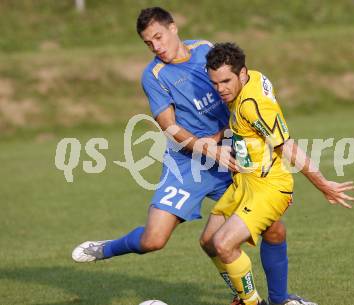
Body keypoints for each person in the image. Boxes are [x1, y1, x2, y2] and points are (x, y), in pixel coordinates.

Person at [71, 7, 296, 305]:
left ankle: (279, 300)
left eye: (159, 37)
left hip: (228, 156)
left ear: (174, 28)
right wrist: (202, 146)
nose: (157, 47)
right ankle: (107, 248)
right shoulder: (153, 75)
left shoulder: (205, 49)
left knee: (274, 228)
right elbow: (168, 125)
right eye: (149, 43)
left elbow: (238, 88)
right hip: (187, 163)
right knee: (154, 240)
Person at [201, 42, 354, 305]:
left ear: (242, 73)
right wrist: (217, 137)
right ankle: (266, 298)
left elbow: (287, 146)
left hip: (268, 186)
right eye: (215, 83)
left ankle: (252, 301)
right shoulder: (253, 80)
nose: (220, 90)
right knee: (209, 241)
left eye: (225, 81)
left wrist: (323, 185)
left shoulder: (253, 104)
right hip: (245, 183)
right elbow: (247, 128)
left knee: (224, 244)